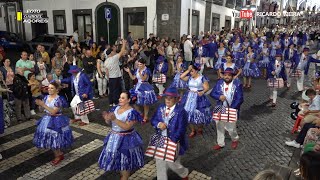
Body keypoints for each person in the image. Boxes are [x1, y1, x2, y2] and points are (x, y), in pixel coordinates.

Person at [99, 91, 144, 180]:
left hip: (126, 140)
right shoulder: (115, 108)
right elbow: (109, 122)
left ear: (128, 100)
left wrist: (115, 119)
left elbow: (127, 127)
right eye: (120, 97)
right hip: (113, 138)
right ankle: (123, 176)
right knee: (118, 159)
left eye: (123, 98)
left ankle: (125, 177)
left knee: (125, 161)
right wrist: (107, 119)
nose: (120, 99)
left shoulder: (132, 112)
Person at [150, 87, 189, 180]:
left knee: (172, 163)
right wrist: (159, 124)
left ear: (176, 99)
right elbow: (153, 120)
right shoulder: (161, 107)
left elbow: (181, 129)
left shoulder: (181, 111)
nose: (168, 100)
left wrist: (172, 141)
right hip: (160, 139)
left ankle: (184, 172)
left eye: (170, 98)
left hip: (174, 141)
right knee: (159, 161)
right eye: (166, 98)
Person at [33, 81, 73, 166]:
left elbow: (54, 112)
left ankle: (58, 155)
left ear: (57, 90)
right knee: (50, 139)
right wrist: (39, 105)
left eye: (52, 88)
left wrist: (43, 104)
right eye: (48, 88)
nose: (49, 89)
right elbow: (41, 110)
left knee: (55, 138)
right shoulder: (46, 97)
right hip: (47, 119)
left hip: (56, 120)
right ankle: (59, 154)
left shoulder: (59, 99)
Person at [210, 68, 244, 150]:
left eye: (229, 75)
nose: (227, 77)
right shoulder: (219, 83)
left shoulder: (237, 84)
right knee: (219, 126)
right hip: (220, 107)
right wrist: (218, 97)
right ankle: (220, 143)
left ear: (232, 76)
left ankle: (235, 139)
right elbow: (212, 93)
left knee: (231, 127)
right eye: (225, 75)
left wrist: (231, 109)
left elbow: (240, 99)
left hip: (232, 109)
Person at [180, 63, 211, 138]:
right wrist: (188, 70)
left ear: (197, 71)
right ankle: (193, 130)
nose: (191, 73)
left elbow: (207, 87)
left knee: (199, 113)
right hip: (189, 96)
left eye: (192, 71)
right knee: (188, 113)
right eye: (190, 71)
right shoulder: (189, 78)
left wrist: (202, 92)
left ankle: (200, 127)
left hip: (198, 97)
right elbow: (181, 77)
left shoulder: (202, 78)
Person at [124, 59, 157, 123]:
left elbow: (144, 79)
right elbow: (133, 78)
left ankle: (145, 116)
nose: (139, 65)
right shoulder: (137, 70)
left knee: (145, 102)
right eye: (138, 64)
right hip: (137, 86)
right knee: (132, 100)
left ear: (144, 64)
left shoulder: (146, 70)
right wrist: (129, 72)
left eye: (140, 64)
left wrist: (139, 72)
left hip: (145, 86)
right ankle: (140, 112)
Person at [105, 40, 127, 106]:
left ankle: (111, 102)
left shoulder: (106, 61)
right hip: (116, 77)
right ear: (111, 53)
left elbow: (107, 71)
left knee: (111, 90)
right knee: (116, 90)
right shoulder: (114, 58)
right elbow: (122, 51)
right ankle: (115, 102)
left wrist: (108, 78)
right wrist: (123, 44)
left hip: (111, 77)